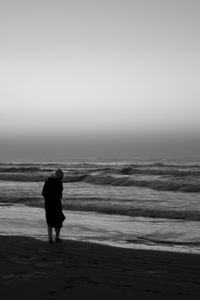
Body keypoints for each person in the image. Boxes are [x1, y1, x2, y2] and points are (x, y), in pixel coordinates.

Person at [42, 168, 65, 244]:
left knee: (50, 221)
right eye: (62, 176)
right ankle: (57, 237)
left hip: (48, 204)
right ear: (60, 176)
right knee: (58, 220)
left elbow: (43, 193)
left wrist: (48, 198)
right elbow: (59, 194)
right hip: (56, 204)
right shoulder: (59, 182)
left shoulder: (47, 181)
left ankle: (50, 238)